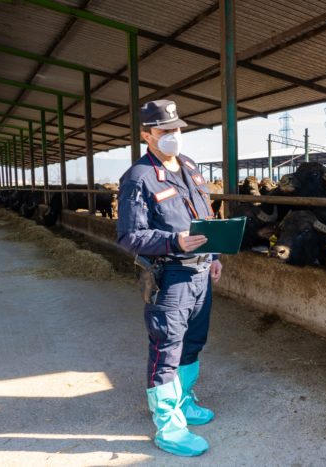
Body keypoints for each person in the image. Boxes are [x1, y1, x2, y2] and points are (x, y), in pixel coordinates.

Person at [117, 99, 221, 457]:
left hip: (201, 271)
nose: (173, 136)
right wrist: (172, 241)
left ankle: (185, 401)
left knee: (193, 341)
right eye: (164, 131)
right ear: (146, 134)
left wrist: (216, 256)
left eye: (176, 129)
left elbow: (205, 215)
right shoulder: (138, 177)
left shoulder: (190, 167)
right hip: (171, 274)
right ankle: (168, 425)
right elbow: (129, 236)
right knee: (166, 346)